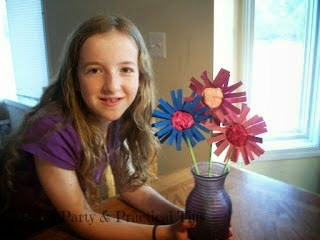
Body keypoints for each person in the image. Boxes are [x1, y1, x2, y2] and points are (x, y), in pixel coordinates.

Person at [0, 15, 232, 239]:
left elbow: (131, 188)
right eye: (94, 70)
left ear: (141, 77)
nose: (112, 86)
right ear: (74, 79)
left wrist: (183, 220)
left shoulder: (116, 118)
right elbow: (82, 220)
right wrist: (163, 234)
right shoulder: (52, 131)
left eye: (125, 69)